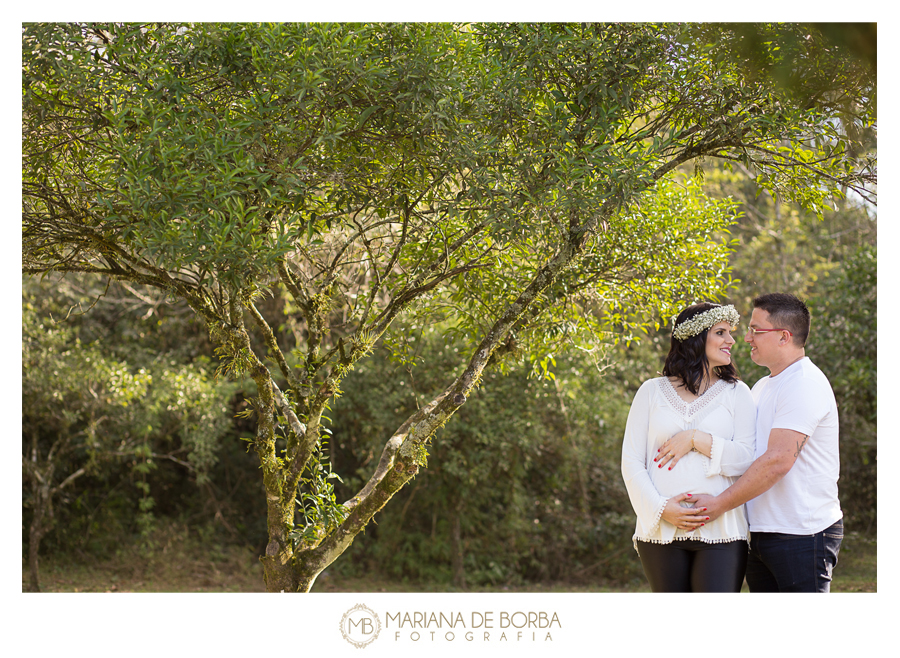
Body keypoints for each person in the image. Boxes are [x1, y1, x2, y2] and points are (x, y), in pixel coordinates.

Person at [689, 293, 842, 592]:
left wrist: (718, 504)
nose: (746, 338)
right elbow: (745, 453)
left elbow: (778, 461)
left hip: (802, 534)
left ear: (784, 337)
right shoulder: (762, 386)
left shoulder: (804, 383)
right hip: (761, 532)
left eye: (755, 330)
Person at [621, 302, 756, 592]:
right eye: (721, 332)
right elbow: (631, 462)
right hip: (661, 532)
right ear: (695, 337)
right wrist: (661, 509)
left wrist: (697, 438)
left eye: (729, 333)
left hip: (722, 531)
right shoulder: (650, 391)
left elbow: (746, 459)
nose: (731, 341)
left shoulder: (738, 393)